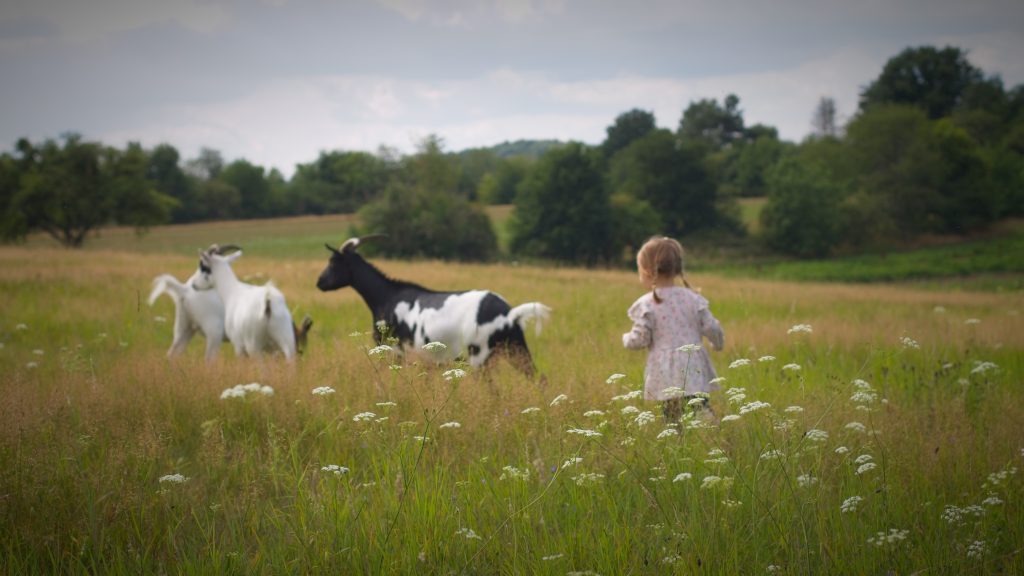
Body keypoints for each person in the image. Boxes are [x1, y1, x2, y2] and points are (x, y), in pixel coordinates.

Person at [622, 236, 725, 422]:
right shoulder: (692, 298)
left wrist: (626, 339)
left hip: (665, 371)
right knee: (698, 406)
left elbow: (640, 339)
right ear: (677, 268)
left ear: (646, 272)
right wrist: (717, 343)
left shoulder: (647, 304)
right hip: (694, 367)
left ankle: (680, 441)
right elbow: (712, 326)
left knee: (672, 418)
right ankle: (710, 430)